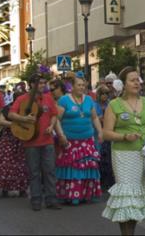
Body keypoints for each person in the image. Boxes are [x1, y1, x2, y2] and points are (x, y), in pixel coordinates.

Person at [101, 66, 145, 235]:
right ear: (123, 84)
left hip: (144, 155)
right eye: (132, 80)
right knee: (126, 198)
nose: (137, 83)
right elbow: (106, 133)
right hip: (123, 155)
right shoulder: (114, 104)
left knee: (136, 199)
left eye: (138, 79)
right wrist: (124, 137)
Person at [8, 73, 61, 211]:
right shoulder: (22, 99)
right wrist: (24, 119)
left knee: (50, 171)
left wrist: (51, 126)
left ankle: (51, 200)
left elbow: (54, 115)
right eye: (41, 83)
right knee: (34, 172)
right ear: (32, 84)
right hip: (31, 141)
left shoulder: (48, 98)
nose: (43, 86)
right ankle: (36, 200)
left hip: (47, 141)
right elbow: (11, 114)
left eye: (44, 83)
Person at [54, 75, 103, 205]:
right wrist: (61, 135)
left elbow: (94, 118)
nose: (81, 87)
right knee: (72, 168)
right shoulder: (64, 100)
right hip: (70, 141)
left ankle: (85, 194)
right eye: (79, 85)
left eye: (83, 85)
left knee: (87, 167)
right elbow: (56, 120)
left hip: (87, 140)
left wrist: (100, 131)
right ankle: (71, 196)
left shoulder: (88, 100)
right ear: (72, 86)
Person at [95, 85, 115, 191]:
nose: (105, 96)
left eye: (107, 94)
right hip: (98, 133)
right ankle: (100, 182)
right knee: (99, 157)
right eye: (103, 94)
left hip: (109, 133)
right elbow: (94, 118)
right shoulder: (95, 105)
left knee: (109, 158)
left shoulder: (110, 104)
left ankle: (109, 181)